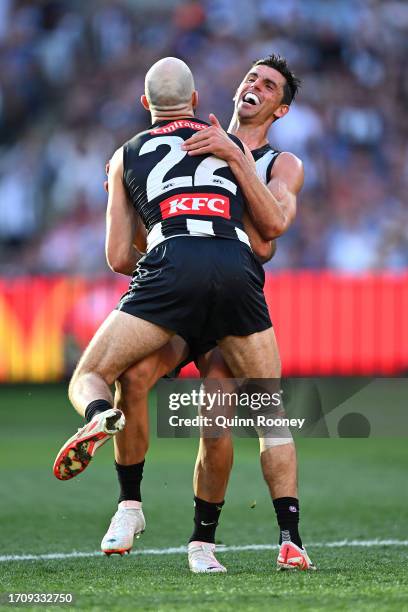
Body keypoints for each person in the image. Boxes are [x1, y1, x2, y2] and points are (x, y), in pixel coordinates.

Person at [52, 55, 309, 567]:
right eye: (250, 77)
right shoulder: (194, 138)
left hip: (221, 294)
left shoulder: (279, 162)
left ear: (280, 109)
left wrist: (230, 163)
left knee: (216, 416)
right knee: (135, 376)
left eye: (269, 84)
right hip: (195, 287)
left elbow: (269, 235)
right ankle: (129, 508)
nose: (254, 85)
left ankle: (209, 543)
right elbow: (171, 211)